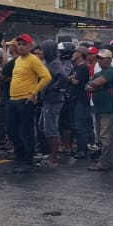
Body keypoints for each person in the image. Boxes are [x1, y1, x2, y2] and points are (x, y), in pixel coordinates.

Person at [7, 34, 51, 173]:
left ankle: (27, 161)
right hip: (13, 99)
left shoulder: (33, 60)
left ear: (30, 46)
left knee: (26, 132)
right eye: (19, 44)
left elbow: (46, 77)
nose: (20, 47)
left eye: (24, 44)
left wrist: (34, 92)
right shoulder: (18, 60)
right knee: (11, 130)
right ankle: (20, 155)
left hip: (26, 99)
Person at [37, 40, 68, 168]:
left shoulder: (54, 63)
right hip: (47, 100)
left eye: (43, 49)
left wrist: (53, 87)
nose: (41, 52)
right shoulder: (49, 62)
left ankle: (53, 158)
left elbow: (63, 77)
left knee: (50, 128)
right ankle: (51, 152)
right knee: (42, 126)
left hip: (53, 100)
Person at [87, 48, 113, 172]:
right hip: (99, 108)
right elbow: (87, 86)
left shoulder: (111, 72)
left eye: (102, 58)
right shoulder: (99, 72)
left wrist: (96, 86)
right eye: (98, 58)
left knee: (106, 136)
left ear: (109, 60)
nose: (99, 60)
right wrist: (98, 86)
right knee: (101, 136)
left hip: (108, 109)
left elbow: (95, 84)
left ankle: (105, 162)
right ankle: (104, 160)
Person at [67, 47, 92, 159]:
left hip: (80, 100)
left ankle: (82, 150)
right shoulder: (76, 67)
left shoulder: (83, 68)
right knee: (74, 125)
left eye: (76, 52)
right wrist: (71, 78)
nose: (73, 54)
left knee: (79, 125)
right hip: (73, 98)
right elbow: (71, 78)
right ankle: (77, 147)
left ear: (80, 54)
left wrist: (71, 79)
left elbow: (76, 81)